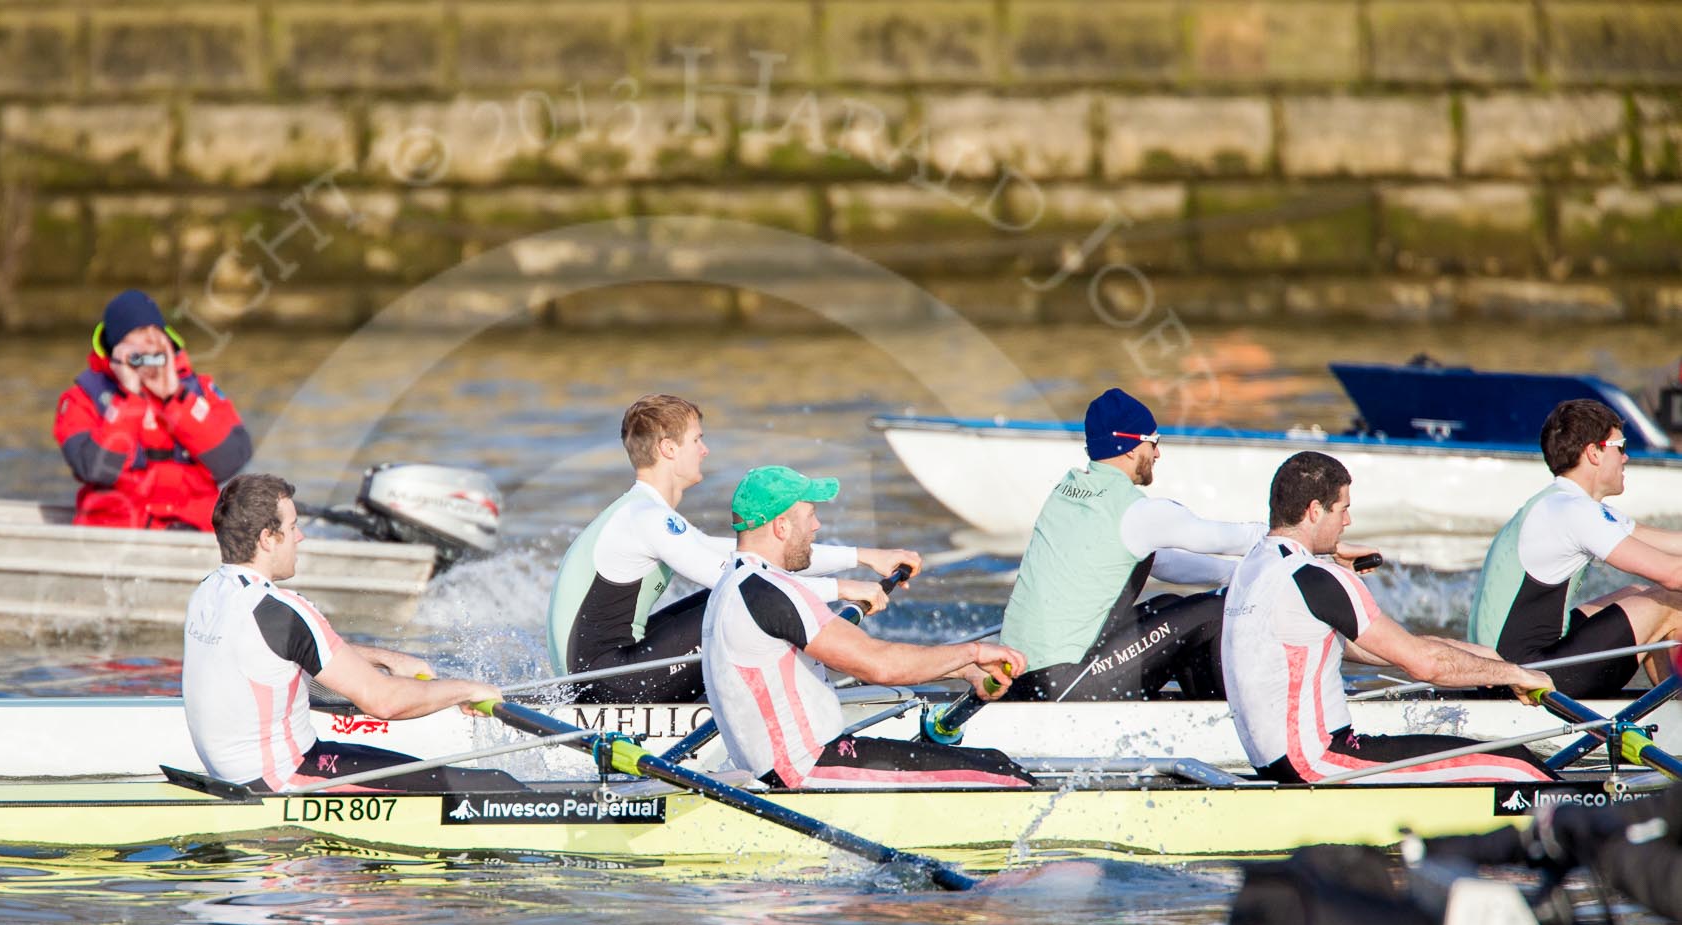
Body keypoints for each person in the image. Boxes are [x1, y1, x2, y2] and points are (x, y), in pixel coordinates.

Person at [546, 394, 922, 703]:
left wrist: (864, 557)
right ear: (668, 449)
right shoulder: (646, 518)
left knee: (724, 598)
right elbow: (747, 585)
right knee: (741, 600)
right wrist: (843, 589)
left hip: (602, 676)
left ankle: (792, 688)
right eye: (697, 440)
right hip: (605, 688)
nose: (705, 450)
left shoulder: (643, 513)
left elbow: (750, 560)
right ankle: (798, 700)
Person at [1223, 451, 1557, 785]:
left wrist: (1477, 658)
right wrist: (1515, 673)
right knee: (1519, 766)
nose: (1348, 522)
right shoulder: (1316, 578)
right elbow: (1426, 666)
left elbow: (1382, 649)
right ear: (1314, 511)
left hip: (1279, 764)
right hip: (1323, 763)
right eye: (1343, 509)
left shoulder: (1253, 567)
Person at [998, 387, 1343, 701]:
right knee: (1211, 612)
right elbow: (1227, 537)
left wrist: (1235, 575)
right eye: (1154, 440)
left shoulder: (1067, 494)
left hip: (1023, 679)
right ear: (1132, 447)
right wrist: (1317, 548)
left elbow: (1163, 563)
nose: (1158, 453)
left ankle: (1202, 706)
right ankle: (1234, 717)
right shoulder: (1136, 511)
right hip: (1065, 685)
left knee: (1168, 603)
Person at [701, 466, 1030, 789]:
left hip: (794, 765)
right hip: (805, 770)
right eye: (810, 515)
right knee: (1007, 777)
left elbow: (842, 658)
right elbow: (879, 664)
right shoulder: (770, 591)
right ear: (782, 526)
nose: (816, 526)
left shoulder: (739, 583)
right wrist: (972, 651)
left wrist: (964, 671)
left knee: (995, 760)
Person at [184, 473, 512, 793]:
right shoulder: (281, 610)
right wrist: (464, 690)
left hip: (245, 771)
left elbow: (287, 648)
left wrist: (385, 658)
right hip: (284, 779)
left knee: (420, 768)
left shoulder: (209, 592)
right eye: (293, 527)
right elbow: (384, 703)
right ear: (268, 538)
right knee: (493, 786)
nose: (300, 538)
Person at [1469, 397, 1682, 697]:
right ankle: (1676, 716)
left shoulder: (1561, 502)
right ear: (1594, 453)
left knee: (1636, 594)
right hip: (1522, 680)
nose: (1625, 457)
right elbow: (1673, 574)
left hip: (1505, 668)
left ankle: (1669, 704)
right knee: (1671, 601)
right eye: (1619, 446)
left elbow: (1672, 545)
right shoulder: (1575, 511)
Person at [55, 289, 252, 530]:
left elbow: (232, 459)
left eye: (156, 330)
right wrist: (130, 399)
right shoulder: (82, 398)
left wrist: (176, 398)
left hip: (197, 531)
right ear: (116, 347)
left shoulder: (200, 391)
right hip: (120, 533)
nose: (152, 339)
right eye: (138, 332)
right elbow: (96, 471)